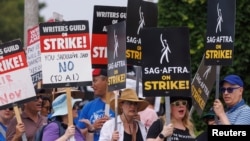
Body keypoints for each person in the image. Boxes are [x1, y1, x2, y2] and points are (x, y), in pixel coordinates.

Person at [77, 69, 115, 141]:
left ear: (107, 80)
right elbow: (77, 134)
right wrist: (92, 128)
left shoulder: (121, 104)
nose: (92, 85)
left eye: (95, 81)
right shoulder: (88, 106)